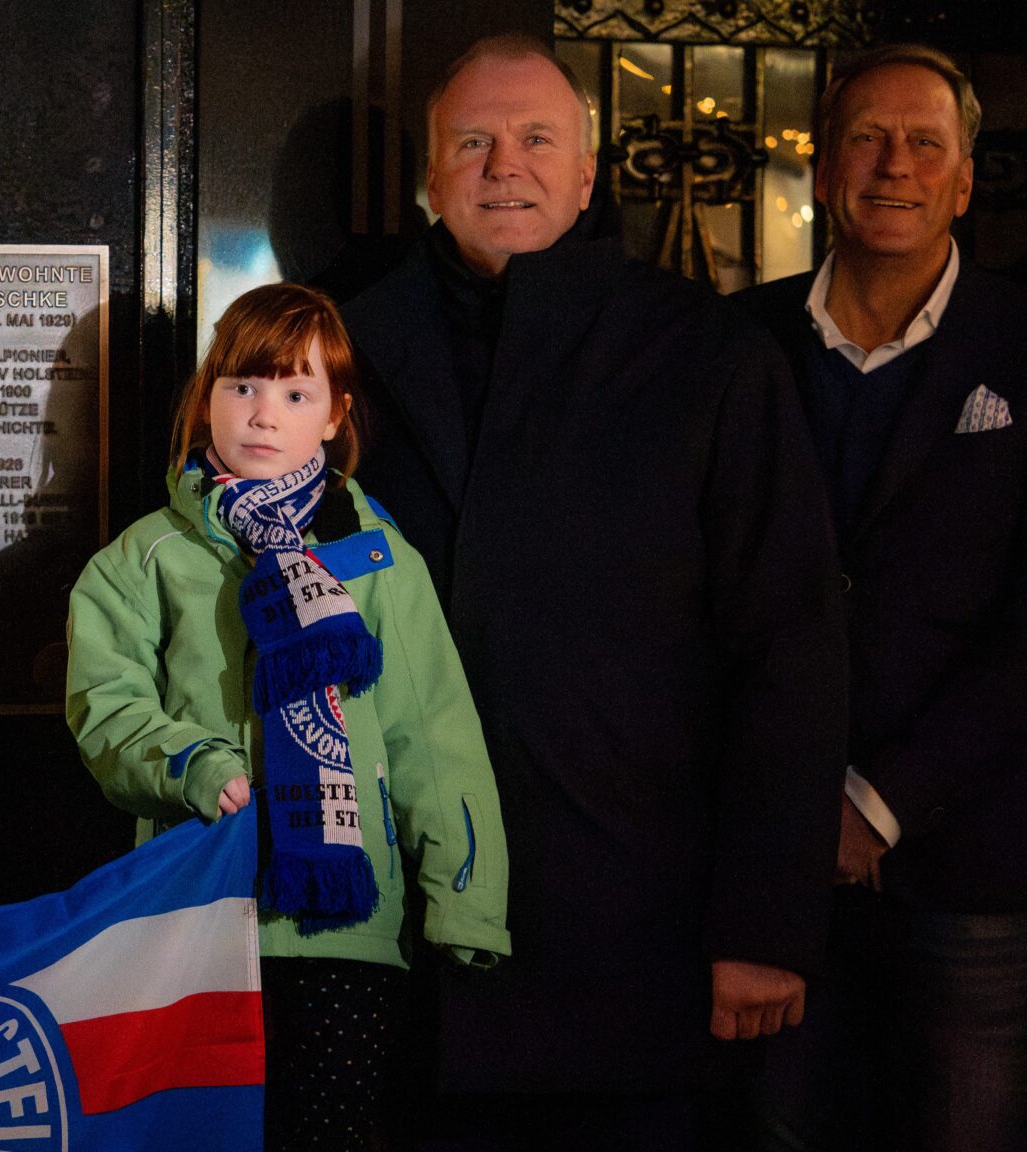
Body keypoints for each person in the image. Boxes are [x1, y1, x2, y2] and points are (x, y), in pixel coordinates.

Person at [336, 36, 847, 1149]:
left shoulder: (705, 355)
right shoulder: (336, 356)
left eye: (535, 139)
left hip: (631, 937)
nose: (502, 166)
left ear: (584, 175)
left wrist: (765, 924)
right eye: (471, 142)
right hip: (390, 940)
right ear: (429, 177)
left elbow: (789, 646)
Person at [67, 282, 511, 1151]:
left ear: (336, 416)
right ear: (207, 398)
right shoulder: (147, 555)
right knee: (201, 1134)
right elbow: (106, 705)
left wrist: (465, 901)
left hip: (350, 927)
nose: (264, 414)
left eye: (297, 393)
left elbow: (434, 735)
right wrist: (191, 763)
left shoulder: (377, 558)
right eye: (242, 385)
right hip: (197, 913)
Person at [735, 43, 1027, 1152]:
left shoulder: (1022, 346)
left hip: (972, 866)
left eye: (924, 144)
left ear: (964, 180)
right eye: (866, 138)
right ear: (822, 170)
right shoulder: (732, 343)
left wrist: (878, 802)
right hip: (767, 866)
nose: (894, 164)